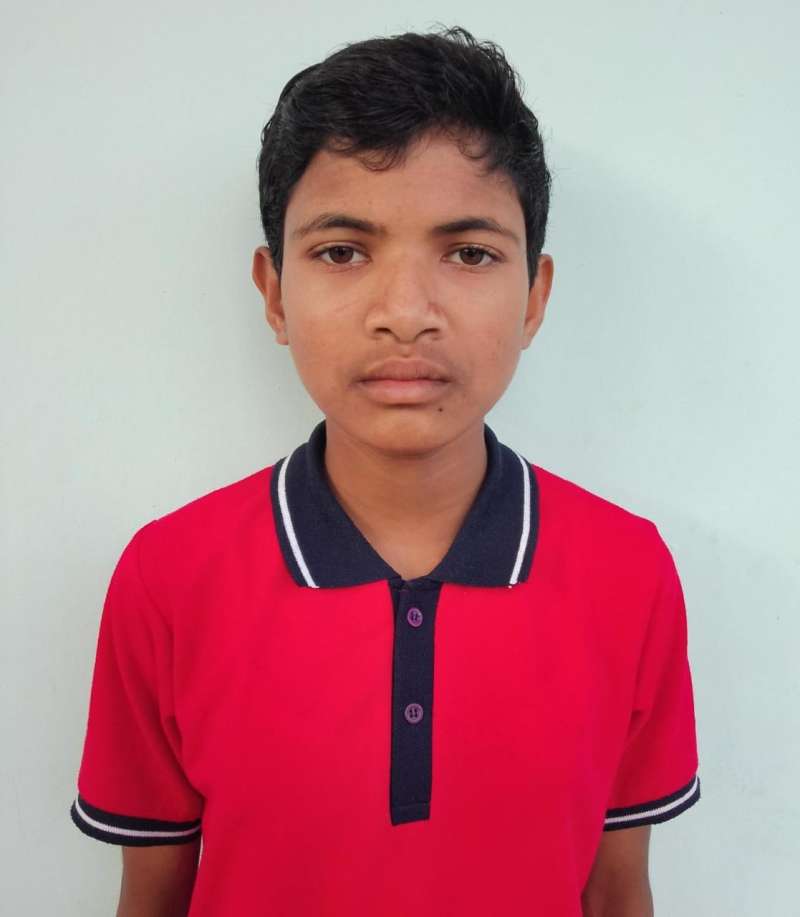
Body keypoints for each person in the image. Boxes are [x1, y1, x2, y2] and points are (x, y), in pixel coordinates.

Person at [69, 24, 700, 917]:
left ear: (535, 296)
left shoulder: (629, 571)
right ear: (275, 293)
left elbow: (618, 890)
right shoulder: (169, 577)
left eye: (469, 252)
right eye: (343, 251)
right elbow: (152, 896)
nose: (405, 312)